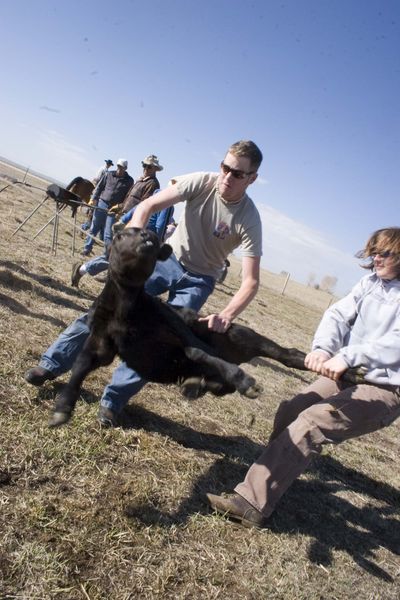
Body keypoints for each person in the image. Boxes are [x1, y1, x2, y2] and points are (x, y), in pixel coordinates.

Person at [25, 140, 263, 428]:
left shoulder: (249, 219)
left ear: (252, 179)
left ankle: (113, 401)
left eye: (238, 173)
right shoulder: (201, 182)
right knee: (103, 313)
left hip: (199, 280)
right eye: (225, 167)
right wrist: (132, 241)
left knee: (159, 340)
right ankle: (50, 365)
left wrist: (226, 316)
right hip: (165, 260)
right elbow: (149, 205)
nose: (227, 176)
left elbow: (250, 281)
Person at [206, 226, 400, 528]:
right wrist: (323, 349)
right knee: (291, 410)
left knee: (314, 420)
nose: (375, 258)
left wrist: (347, 356)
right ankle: (270, 473)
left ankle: (251, 504)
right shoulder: (369, 283)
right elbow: (337, 315)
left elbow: (394, 345)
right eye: (373, 251)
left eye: (384, 253)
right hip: (350, 374)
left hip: (385, 388)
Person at [81, 159, 133, 257]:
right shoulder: (108, 174)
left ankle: (106, 254)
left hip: (114, 209)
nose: (119, 169)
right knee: (94, 228)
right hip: (102, 203)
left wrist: (120, 207)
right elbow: (100, 187)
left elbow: (128, 196)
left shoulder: (129, 181)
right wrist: (93, 198)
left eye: (122, 167)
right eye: (118, 166)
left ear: (125, 168)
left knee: (108, 233)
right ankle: (86, 249)